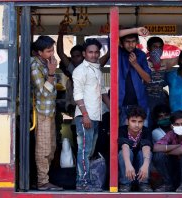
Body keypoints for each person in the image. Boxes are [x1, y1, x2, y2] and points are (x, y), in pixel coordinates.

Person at [72, 38, 110, 192]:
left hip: (95, 116)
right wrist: (85, 115)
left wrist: (111, 107)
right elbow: (77, 95)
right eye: (90, 52)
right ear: (84, 53)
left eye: (96, 52)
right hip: (85, 117)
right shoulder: (80, 70)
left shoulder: (97, 68)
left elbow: (102, 92)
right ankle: (82, 182)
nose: (94, 55)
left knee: (89, 151)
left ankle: (86, 181)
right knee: (84, 151)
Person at [30, 36, 63, 191]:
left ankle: (45, 179)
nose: (52, 53)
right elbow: (43, 92)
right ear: (39, 52)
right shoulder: (35, 66)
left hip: (50, 112)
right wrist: (51, 73)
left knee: (51, 147)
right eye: (49, 51)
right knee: (43, 149)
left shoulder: (45, 62)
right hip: (41, 113)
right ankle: (42, 182)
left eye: (53, 50)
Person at [146, 23, 182, 122]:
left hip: (160, 101)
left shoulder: (165, 63)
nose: (158, 49)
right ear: (148, 49)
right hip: (146, 101)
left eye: (160, 47)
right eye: (155, 47)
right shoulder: (143, 63)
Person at [153, 110, 182, 192]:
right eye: (177, 124)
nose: (181, 126)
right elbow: (156, 147)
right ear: (172, 126)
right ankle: (168, 184)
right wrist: (177, 146)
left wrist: (166, 150)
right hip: (175, 170)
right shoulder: (171, 134)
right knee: (159, 155)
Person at [119, 27, 151, 126]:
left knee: (142, 136)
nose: (130, 44)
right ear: (121, 42)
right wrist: (136, 30)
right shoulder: (117, 52)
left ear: (137, 41)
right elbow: (113, 34)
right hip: (121, 105)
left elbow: (148, 79)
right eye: (127, 41)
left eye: (133, 41)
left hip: (140, 104)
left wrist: (135, 64)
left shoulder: (140, 55)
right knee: (124, 136)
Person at [118, 106, 153, 192]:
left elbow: (146, 146)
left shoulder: (146, 131)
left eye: (140, 122)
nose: (137, 125)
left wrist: (145, 165)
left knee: (146, 154)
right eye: (133, 121)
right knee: (124, 153)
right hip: (126, 165)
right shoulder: (122, 130)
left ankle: (144, 184)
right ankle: (125, 184)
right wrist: (128, 164)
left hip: (140, 165)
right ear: (127, 121)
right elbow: (125, 146)